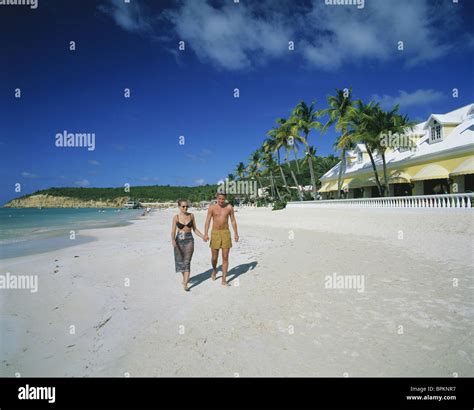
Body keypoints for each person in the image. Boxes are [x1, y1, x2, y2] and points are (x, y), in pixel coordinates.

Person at [203, 193, 239, 286]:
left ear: (225, 198)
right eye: (219, 199)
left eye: (223, 199)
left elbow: (233, 220)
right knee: (214, 257)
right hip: (215, 233)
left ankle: (224, 279)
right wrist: (206, 233)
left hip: (226, 233)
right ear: (217, 198)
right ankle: (214, 269)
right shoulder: (212, 207)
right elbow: (207, 221)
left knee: (225, 257)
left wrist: (236, 233)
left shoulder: (229, 207)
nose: (221, 201)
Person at [171, 200, 205, 292]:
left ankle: (185, 284)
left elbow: (195, 229)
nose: (185, 208)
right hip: (179, 240)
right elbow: (173, 231)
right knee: (180, 262)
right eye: (183, 206)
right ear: (179, 207)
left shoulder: (191, 215)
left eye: (187, 206)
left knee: (187, 261)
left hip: (189, 240)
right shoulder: (176, 217)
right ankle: (185, 278)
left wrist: (203, 236)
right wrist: (173, 240)